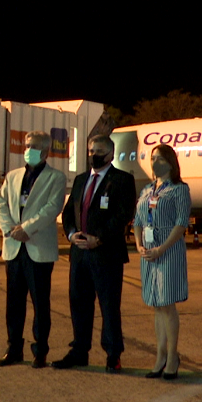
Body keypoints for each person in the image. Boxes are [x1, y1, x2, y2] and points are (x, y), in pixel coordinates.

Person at [52, 135, 135, 373]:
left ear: (110, 154)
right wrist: (71, 234)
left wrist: (99, 238)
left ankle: (113, 354)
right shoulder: (81, 180)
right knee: (79, 304)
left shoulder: (122, 180)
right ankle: (79, 350)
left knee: (109, 306)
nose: (93, 155)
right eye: (90, 151)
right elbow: (69, 212)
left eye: (98, 151)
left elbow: (123, 214)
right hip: (79, 253)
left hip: (106, 254)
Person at [0, 130, 67, 368]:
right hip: (14, 247)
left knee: (40, 304)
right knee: (14, 303)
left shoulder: (56, 178)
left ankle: (40, 350)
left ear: (45, 151)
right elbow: (0, 204)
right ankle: (14, 348)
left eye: (32, 146)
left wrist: (26, 228)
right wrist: (9, 228)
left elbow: (52, 207)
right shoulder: (13, 176)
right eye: (26, 145)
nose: (27, 150)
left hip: (38, 248)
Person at [132, 144, 191, 380]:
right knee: (156, 305)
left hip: (168, 250)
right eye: (153, 158)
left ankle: (172, 356)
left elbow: (181, 222)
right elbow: (138, 220)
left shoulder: (179, 189)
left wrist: (162, 248)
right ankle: (160, 355)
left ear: (171, 163)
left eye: (160, 159)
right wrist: (139, 245)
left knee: (167, 304)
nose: (155, 162)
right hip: (148, 251)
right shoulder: (147, 189)